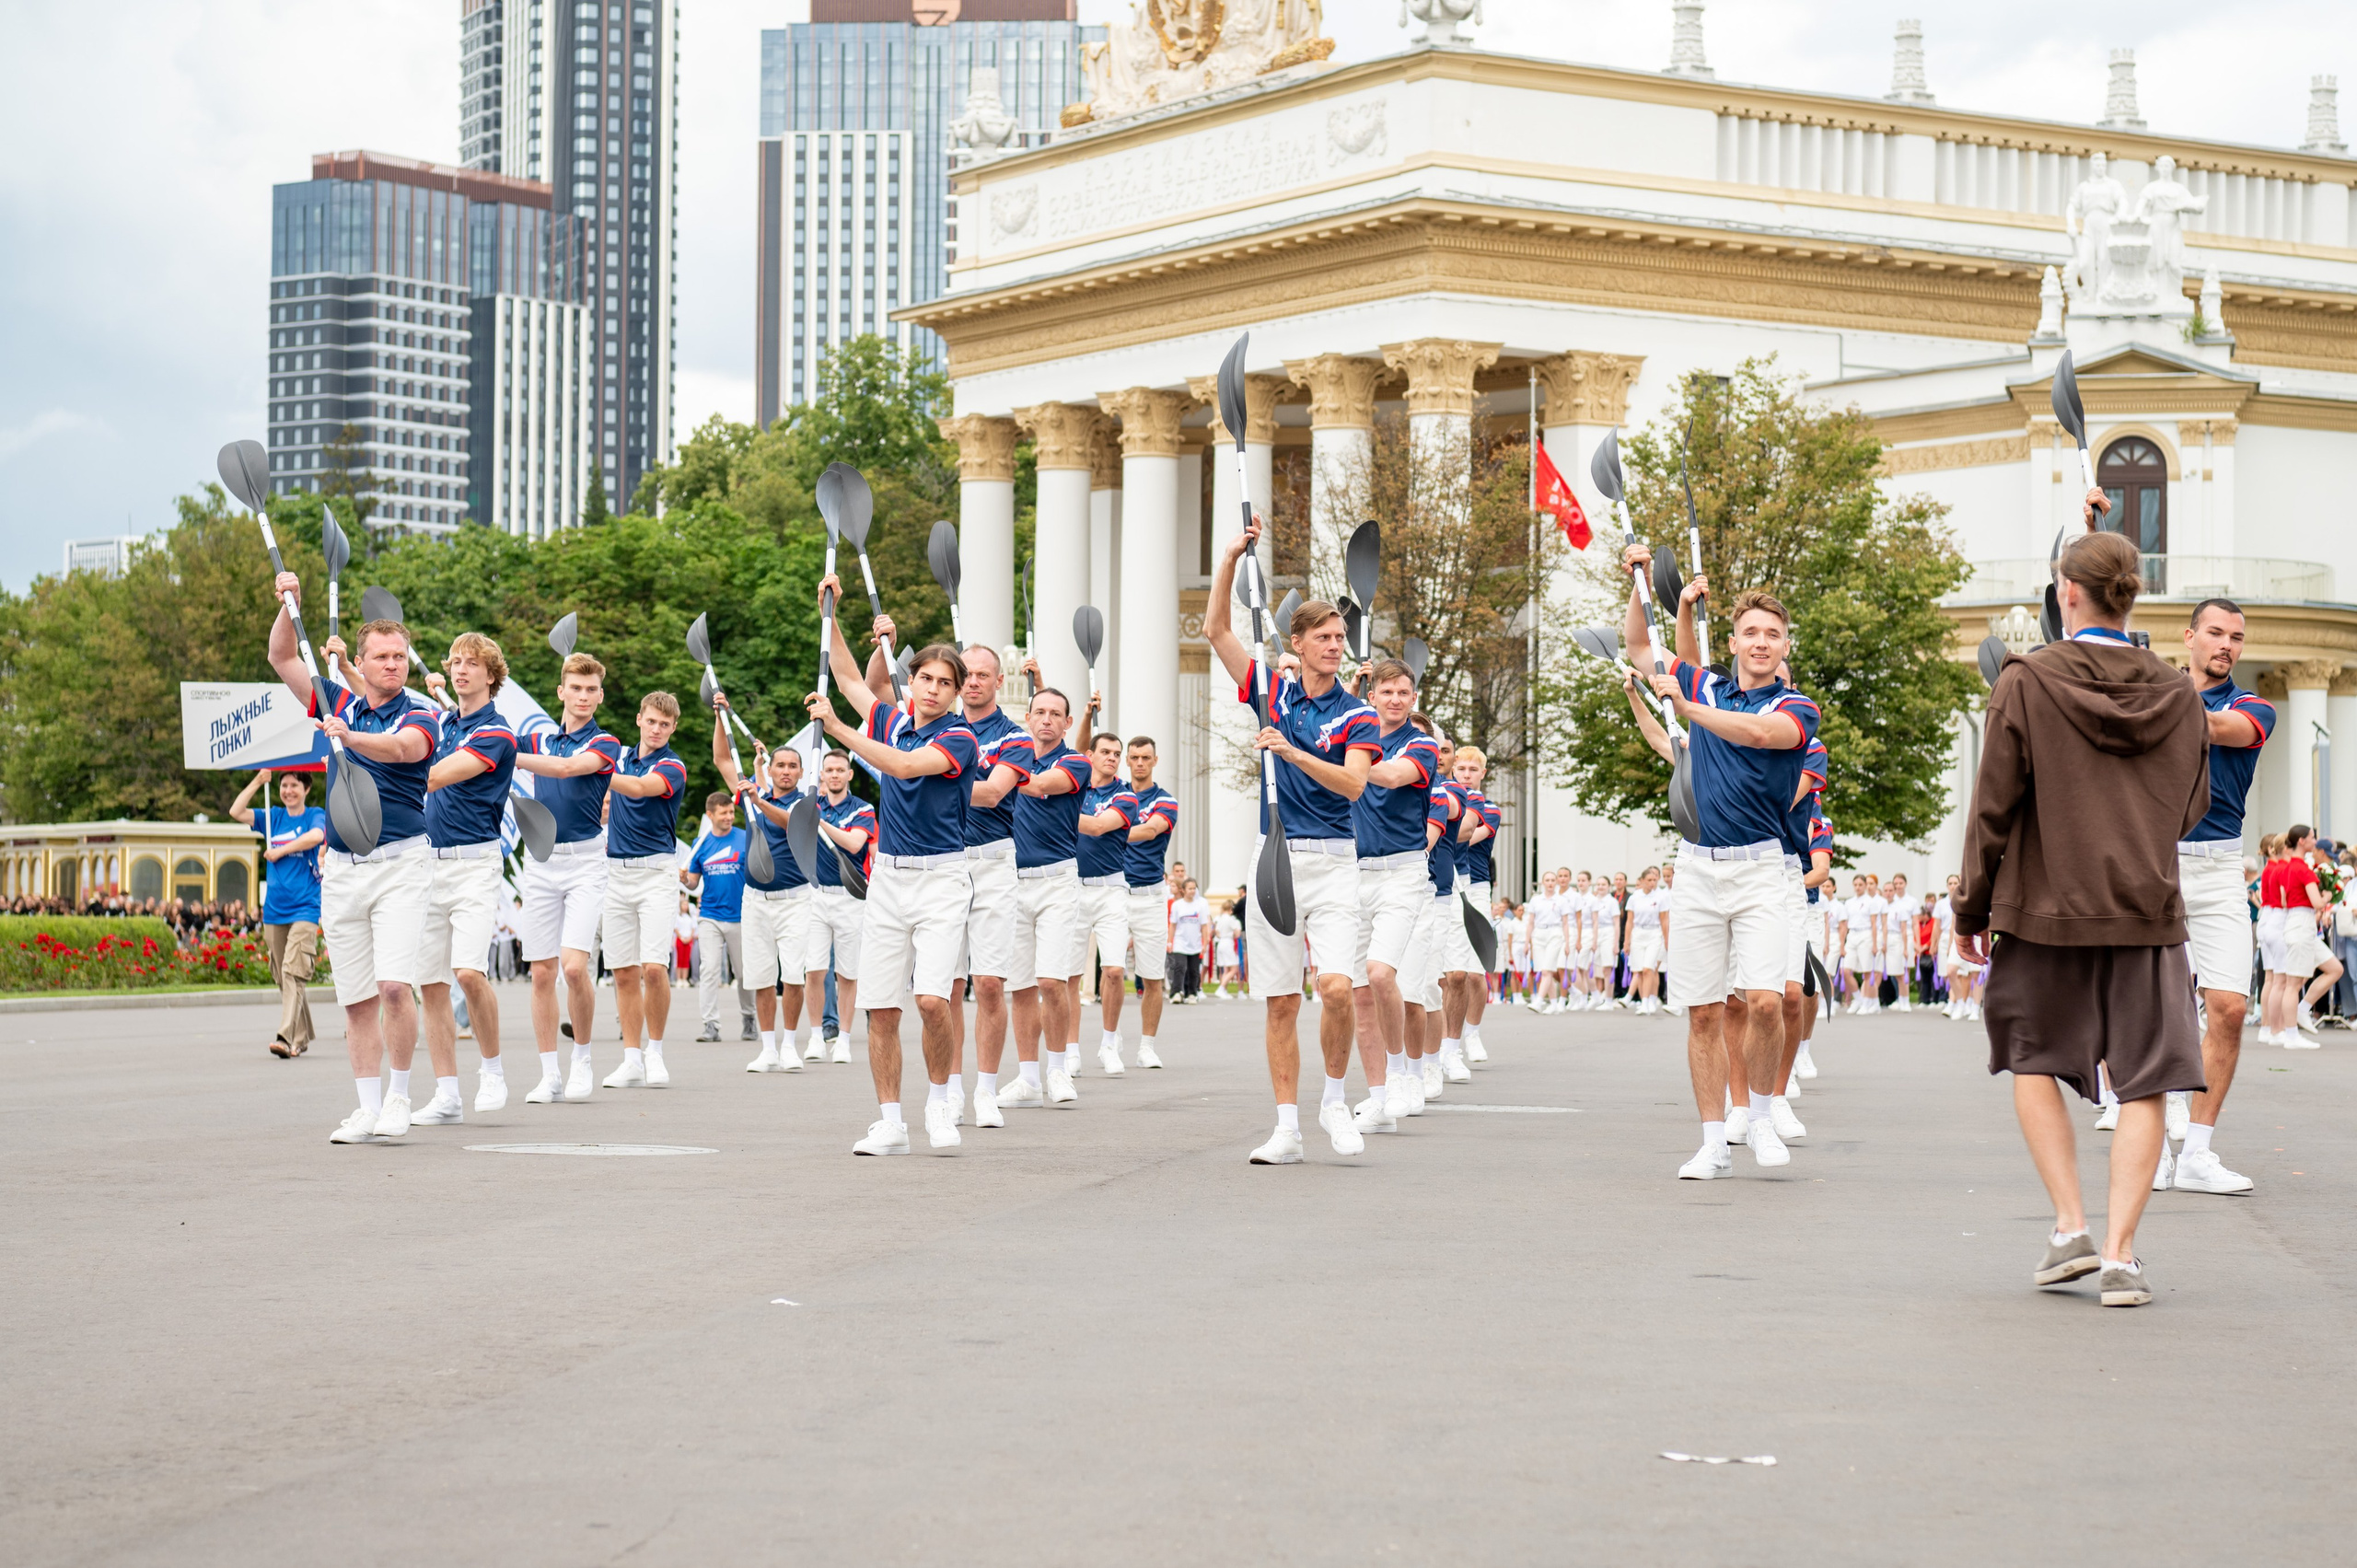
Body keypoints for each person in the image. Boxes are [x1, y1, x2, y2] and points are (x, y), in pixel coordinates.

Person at [1956, 526, 2209, 1308]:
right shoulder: (2178, 691)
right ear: (2133, 595)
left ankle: (2071, 1226)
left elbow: (1991, 805)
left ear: (2067, 592)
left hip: (2044, 908)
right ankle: (2122, 1256)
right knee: (2147, 1077)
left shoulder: (2027, 680)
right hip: (2144, 907)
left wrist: (1971, 901)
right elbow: (2192, 808)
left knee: (2031, 1057)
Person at [1623, 547, 1818, 1179]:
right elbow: (1638, 648)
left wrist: (1686, 708)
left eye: (1773, 634)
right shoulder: (1706, 681)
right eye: (1752, 632)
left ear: (1785, 645)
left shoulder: (1795, 708)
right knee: (1705, 1010)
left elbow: (1759, 736)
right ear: (1732, 639)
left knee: (1765, 1002)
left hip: (1763, 867)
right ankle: (1712, 1139)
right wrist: (1644, 584)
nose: (1762, 642)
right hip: (1698, 866)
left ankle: (1759, 1115)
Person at [1203, 515, 1376, 1165]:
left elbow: (1354, 786)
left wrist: (1291, 751)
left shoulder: (1355, 713)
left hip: (1333, 861)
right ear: (1296, 642)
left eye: (1339, 637)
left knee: (1334, 988)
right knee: (1280, 1001)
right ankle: (1286, 1127)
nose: (1336, 645)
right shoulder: (1269, 688)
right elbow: (1215, 630)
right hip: (1274, 857)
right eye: (1324, 637)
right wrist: (1229, 557)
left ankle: (1334, 1096)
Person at [806, 580, 980, 1156]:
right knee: (881, 1008)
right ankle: (890, 1122)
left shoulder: (959, 737)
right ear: (916, 681)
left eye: (943, 683)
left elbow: (904, 768)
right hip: (888, 878)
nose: (932, 689)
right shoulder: (893, 718)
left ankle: (939, 1102)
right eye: (925, 678)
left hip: (942, 879)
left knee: (932, 1000)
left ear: (955, 693)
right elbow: (852, 678)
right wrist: (829, 610)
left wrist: (838, 730)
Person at [266, 576, 438, 1144]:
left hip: (401, 864)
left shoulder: (420, 713)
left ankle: (398, 1098)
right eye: (381, 657)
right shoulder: (337, 698)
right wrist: (292, 603)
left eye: (398, 657)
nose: (392, 666)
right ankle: (365, 1106)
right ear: (359, 659)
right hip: (341, 869)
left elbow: (404, 751)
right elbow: (282, 656)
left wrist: (347, 737)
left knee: (394, 988)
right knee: (357, 996)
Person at [411, 633, 520, 1124]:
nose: (459, 670)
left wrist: (398, 758)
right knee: (429, 983)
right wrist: (350, 668)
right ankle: (447, 1094)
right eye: (454, 662)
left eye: (471, 664)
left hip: (476, 864)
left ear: (491, 676)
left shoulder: (497, 733)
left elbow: (432, 775)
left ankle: (493, 1071)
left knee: (469, 973)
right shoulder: (444, 721)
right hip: (428, 863)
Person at [513, 652, 624, 1103]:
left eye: (591, 689)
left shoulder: (607, 743)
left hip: (585, 862)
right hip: (540, 861)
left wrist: (507, 756)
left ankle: (581, 1060)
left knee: (575, 969)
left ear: (599, 695)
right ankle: (548, 1074)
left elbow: (564, 770)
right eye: (575, 688)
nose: (583, 696)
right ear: (561, 691)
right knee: (541, 974)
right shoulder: (538, 738)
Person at [1345, 656, 1441, 1132]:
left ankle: (1404, 1072)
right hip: (1353, 872)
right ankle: (1379, 1098)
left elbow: (1388, 777)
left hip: (1403, 872)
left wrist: (1354, 756)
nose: (1396, 700)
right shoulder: (1354, 730)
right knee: (1359, 994)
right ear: (1373, 696)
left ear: (1413, 697)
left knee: (1381, 974)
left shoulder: (1422, 745)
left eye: (1404, 692)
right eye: (1387, 692)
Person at [942, 644, 1033, 1120]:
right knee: (950, 986)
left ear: (1000, 681)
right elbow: (872, 693)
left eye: (983, 674)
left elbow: (994, 792)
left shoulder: (1014, 737)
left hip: (996, 862)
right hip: (947, 862)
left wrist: (935, 776)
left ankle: (985, 1090)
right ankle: (954, 1088)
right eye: (967, 675)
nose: (974, 681)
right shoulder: (939, 729)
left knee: (991, 984)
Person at [1002, 683, 1100, 1108]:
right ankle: (1027, 1077)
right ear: (1028, 718)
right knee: (1021, 986)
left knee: (1051, 981)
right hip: (1010, 881)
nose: (1045, 719)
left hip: (1057, 881)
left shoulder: (1076, 762)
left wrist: (995, 773)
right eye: (1038, 712)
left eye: (1054, 714)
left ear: (1066, 722)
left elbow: (1041, 786)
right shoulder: (1010, 759)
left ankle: (1058, 1070)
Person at [595, 691, 690, 1090]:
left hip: (656, 873)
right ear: (639, 720)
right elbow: (603, 800)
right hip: (615, 873)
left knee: (654, 967)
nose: (656, 729)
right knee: (623, 973)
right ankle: (631, 1058)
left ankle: (655, 1051)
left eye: (664, 724)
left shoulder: (673, 765)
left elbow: (637, 789)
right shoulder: (617, 757)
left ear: (673, 728)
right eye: (651, 721)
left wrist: (590, 770)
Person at [725, 737, 818, 1074]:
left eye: (793, 766)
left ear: (801, 771)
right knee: (762, 977)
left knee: (793, 977)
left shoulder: (808, 802)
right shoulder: (753, 797)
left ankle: (790, 1046)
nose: (786, 771)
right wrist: (722, 715)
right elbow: (722, 759)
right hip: (755, 901)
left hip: (795, 901)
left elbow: (790, 823)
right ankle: (767, 1049)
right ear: (770, 768)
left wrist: (758, 800)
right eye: (780, 765)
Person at [231, 768, 325, 1060]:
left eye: (294, 785)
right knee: (283, 975)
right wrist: (259, 782)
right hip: (274, 909)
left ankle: (285, 1037)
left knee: (293, 970)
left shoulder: (314, 814)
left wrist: (281, 851)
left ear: (306, 788)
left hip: (305, 906)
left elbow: (317, 836)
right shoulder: (272, 817)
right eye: (284, 785)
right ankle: (302, 1035)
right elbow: (237, 811)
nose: (287, 791)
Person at [1074, 733, 1142, 1075]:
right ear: (1090, 755)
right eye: (1105, 752)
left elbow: (1099, 827)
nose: (1113, 758)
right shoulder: (1074, 784)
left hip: (1111, 889)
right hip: (1072, 887)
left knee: (1113, 970)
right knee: (1069, 975)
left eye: (1117, 753)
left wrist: (1058, 815)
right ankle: (1070, 1048)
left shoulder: (1125, 795)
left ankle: (1109, 1042)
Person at [807, 749, 877, 1064]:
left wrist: (819, 821)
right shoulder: (811, 806)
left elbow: (854, 844)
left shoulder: (863, 808)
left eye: (839, 770)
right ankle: (815, 1036)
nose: (834, 774)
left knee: (847, 973)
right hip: (817, 896)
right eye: (829, 770)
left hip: (851, 896)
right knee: (814, 971)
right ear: (821, 775)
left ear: (849, 775)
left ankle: (844, 1039)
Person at [1112, 736, 1178, 1063]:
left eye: (1146, 757)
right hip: (1114, 893)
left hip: (1150, 896)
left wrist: (1102, 827)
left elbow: (1150, 831)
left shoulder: (1166, 800)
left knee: (1153, 977)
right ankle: (1110, 1040)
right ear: (1126, 760)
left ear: (1155, 760)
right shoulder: (1115, 794)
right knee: (1111, 971)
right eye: (1134, 757)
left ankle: (1146, 1047)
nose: (1140, 762)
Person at [682, 791, 755, 1047]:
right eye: (723, 813)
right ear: (710, 815)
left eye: (731, 812)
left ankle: (749, 1018)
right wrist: (684, 880)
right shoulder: (700, 844)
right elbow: (693, 882)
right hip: (710, 915)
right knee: (709, 969)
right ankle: (710, 1024)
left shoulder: (745, 838)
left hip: (741, 916)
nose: (729, 816)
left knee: (744, 973)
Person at [2268, 825, 2342, 1049]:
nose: (2314, 840)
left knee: (2334, 968)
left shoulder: (2290, 868)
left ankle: (2302, 1009)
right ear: (2302, 841)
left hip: (2299, 923)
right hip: (2302, 924)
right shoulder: (2303, 869)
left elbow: (2283, 900)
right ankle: (2291, 1034)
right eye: (2312, 837)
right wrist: (2329, 894)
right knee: (2293, 983)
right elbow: (2318, 902)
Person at [1452, 747, 1503, 1059]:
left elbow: (1466, 835)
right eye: (1462, 769)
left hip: (1477, 888)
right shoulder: (1444, 803)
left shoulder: (1491, 809)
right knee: (1451, 974)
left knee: (1474, 971)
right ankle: (1449, 1040)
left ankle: (1472, 1033)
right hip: (1446, 885)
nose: (1467, 775)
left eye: (1473, 770)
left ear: (1483, 773)